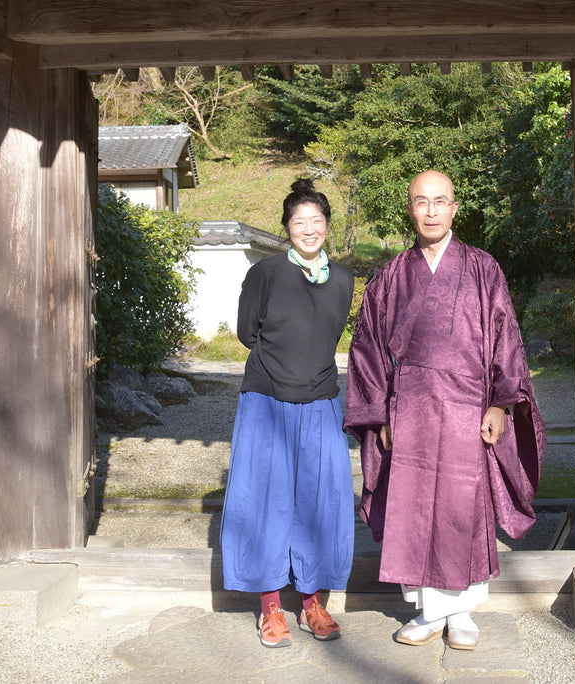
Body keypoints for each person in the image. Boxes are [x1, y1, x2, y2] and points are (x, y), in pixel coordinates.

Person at [344, 169, 545, 651]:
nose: (431, 210)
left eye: (440, 201)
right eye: (421, 201)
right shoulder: (389, 277)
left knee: (462, 507)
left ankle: (462, 613)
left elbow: (505, 335)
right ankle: (430, 613)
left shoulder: (482, 268)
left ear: (455, 208)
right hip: (409, 409)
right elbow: (367, 349)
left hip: (467, 410)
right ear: (409, 208)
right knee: (414, 507)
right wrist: (380, 414)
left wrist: (500, 402)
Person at [219, 179, 355, 648]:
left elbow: (332, 333)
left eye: (317, 221)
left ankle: (313, 603)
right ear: (287, 228)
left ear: (327, 227)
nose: (309, 229)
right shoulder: (267, 273)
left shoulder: (342, 279)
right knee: (265, 502)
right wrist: (280, 367)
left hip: (320, 400)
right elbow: (246, 331)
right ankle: (271, 608)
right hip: (267, 400)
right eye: (300, 222)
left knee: (320, 503)